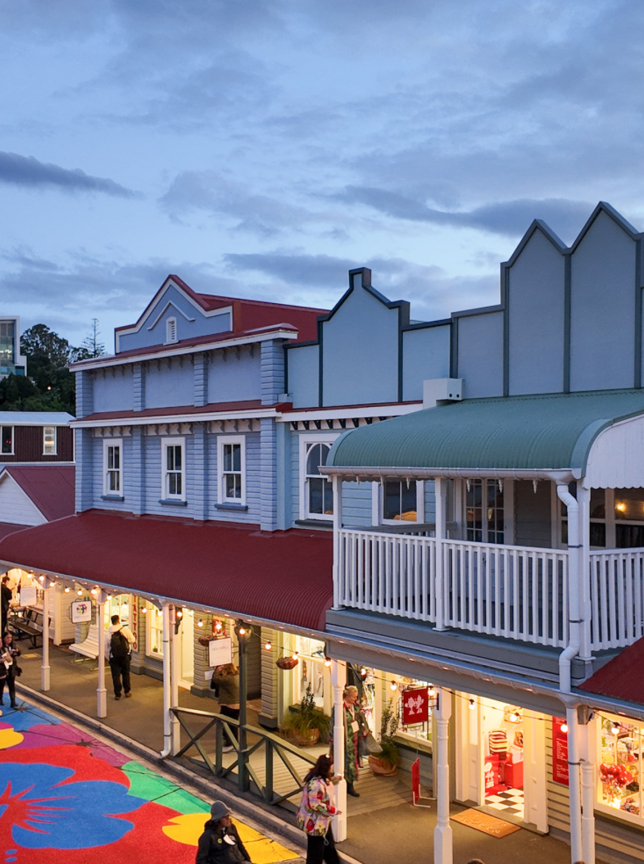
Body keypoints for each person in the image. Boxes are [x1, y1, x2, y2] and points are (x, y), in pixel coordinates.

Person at [296, 754, 340, 864]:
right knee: (316, 854)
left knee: (328, 848)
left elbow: (324, 787)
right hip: (316, 824)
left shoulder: (317, 778)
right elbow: (315, 804)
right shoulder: (316, 785)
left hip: (320, 822)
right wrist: (333, 810)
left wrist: (335, 780)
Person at [341, 685, 367, 797]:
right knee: (344, 763)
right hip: (344, 740)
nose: (355, 699)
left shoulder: (355, 707)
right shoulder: (340, 708)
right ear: (347, 696)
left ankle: (350, 785)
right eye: (353, 697)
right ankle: (342, 785)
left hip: (355, 739)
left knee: (352, 762)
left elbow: (360, 721)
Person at [210, 663, 240, 752]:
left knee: (225, 724)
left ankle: (230, 744)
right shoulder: (237, 677)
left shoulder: (228, 679)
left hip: (229, 705)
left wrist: (217, 671)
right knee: (233, 725)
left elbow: (216, 679)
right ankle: (234, 744)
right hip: (237, 705)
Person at [105, 614, 134, 700]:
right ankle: (127, 691)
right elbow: (132, 640)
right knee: (126, 673)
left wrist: (108, 658)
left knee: (115, 675)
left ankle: (117, 694)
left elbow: (106, 647)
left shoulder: (108, 633)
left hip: (114, 657)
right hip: (125, 656)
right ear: (118, 620)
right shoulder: (125, 630)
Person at [0, 631, 20, 708]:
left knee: (12, 685)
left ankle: (13, 701)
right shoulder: (1, 648)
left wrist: (16, 652)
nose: (9, 639)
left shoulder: (13, 645)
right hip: (3, 671)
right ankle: (0, 699)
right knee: (1, 686)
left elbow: (18, 653)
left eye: (10, 637)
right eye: (7, 638)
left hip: (12, 669)